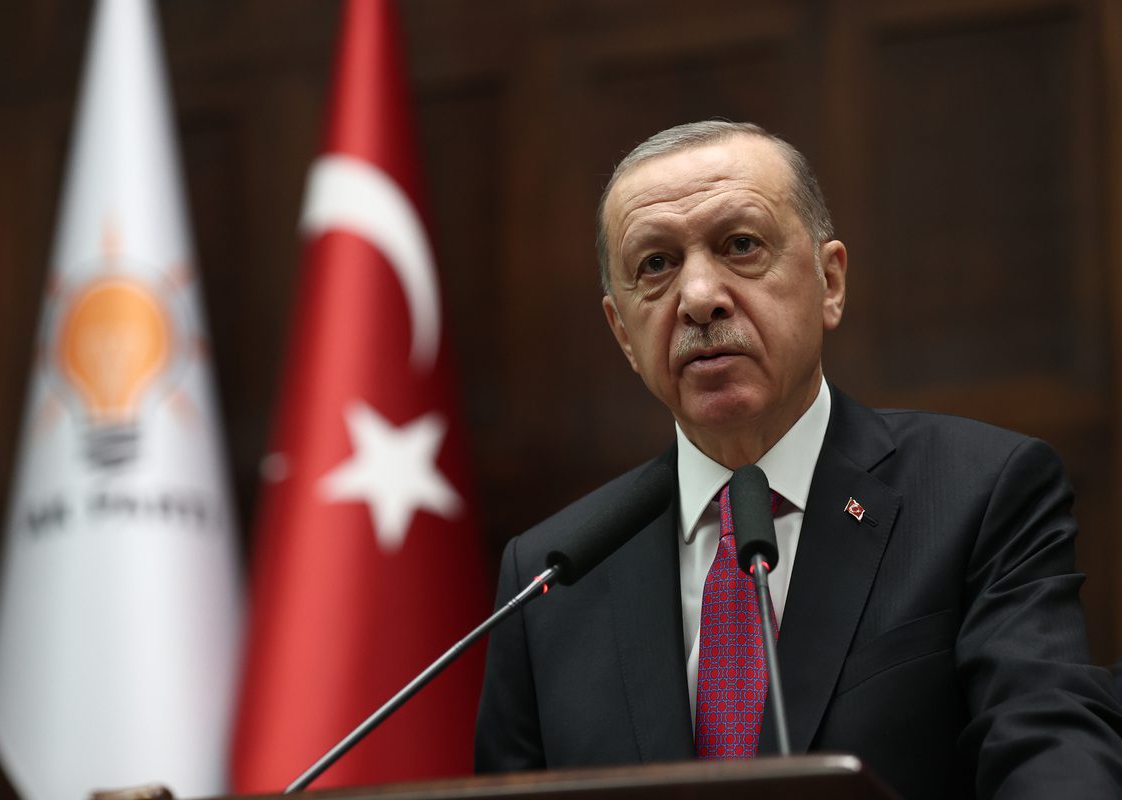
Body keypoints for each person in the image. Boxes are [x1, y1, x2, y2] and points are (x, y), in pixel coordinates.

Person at [474, 120, 1122, 797]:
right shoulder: (550, 575)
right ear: (622, 332)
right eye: (657, 265)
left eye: (741, 245)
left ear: (830, 282)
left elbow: (1051, 747)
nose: (699, 298)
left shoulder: (978, 495)